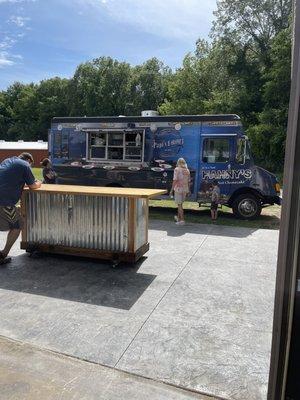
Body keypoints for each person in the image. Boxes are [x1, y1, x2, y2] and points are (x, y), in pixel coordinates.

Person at [0, 153, 41, 264]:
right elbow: (33, 186)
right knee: (17, 227)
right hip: (4, 201)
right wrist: (39, 183)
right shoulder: (24, 165)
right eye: (31, 165)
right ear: (28, 160)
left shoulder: (7, 161)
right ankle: (3, 255)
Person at [170, 158, 190, 225]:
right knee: (180, 205)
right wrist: (188, 190)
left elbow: (175, 180)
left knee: (179, 205)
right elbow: (189, 181)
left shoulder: (177, 169)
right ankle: (178, 219)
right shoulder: (187, 170)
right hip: (185, 189)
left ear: (178, 162)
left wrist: (171, 190)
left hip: (178, 189)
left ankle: (182, 220)